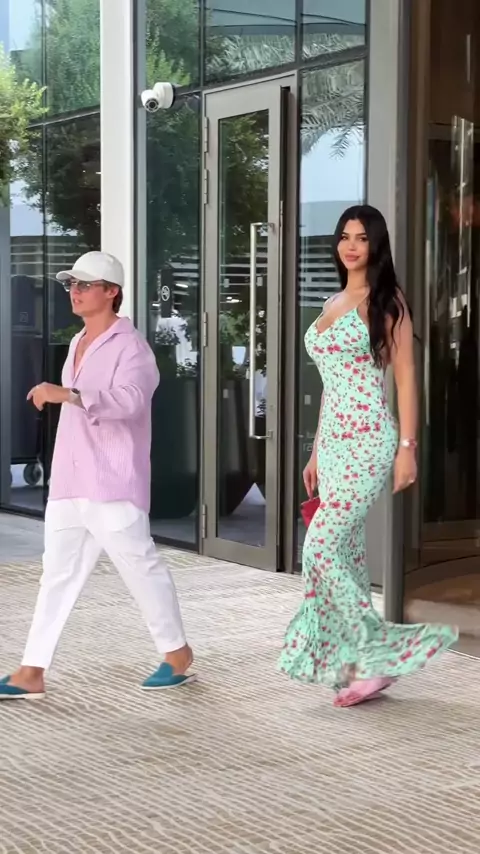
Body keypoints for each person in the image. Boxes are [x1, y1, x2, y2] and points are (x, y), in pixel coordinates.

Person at [278, 205, 458, 708]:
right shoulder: (333, 300)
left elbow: (406, 379)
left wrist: (407, 449)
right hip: (334, 445)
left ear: (376, 245)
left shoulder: (387, 301)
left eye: (361, 237)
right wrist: (316, 451)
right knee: (348, 558)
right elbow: (331, 386)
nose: (351, 246)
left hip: (369, 441)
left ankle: (377, 655)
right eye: (344, 236)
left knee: (318, 550)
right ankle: (359, 666)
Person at [0, 251, 194, 700]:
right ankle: (32, 670)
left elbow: (131, 401)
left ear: (111, 292)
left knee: (140, 566)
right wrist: (69, 395)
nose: (75, 291)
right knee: (56, 574)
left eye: (85, 285)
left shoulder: (133, 348)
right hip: (70, 481)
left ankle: (177, 654)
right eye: (72, 284)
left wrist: (67, 393)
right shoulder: (77, 342)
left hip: (112, 481)